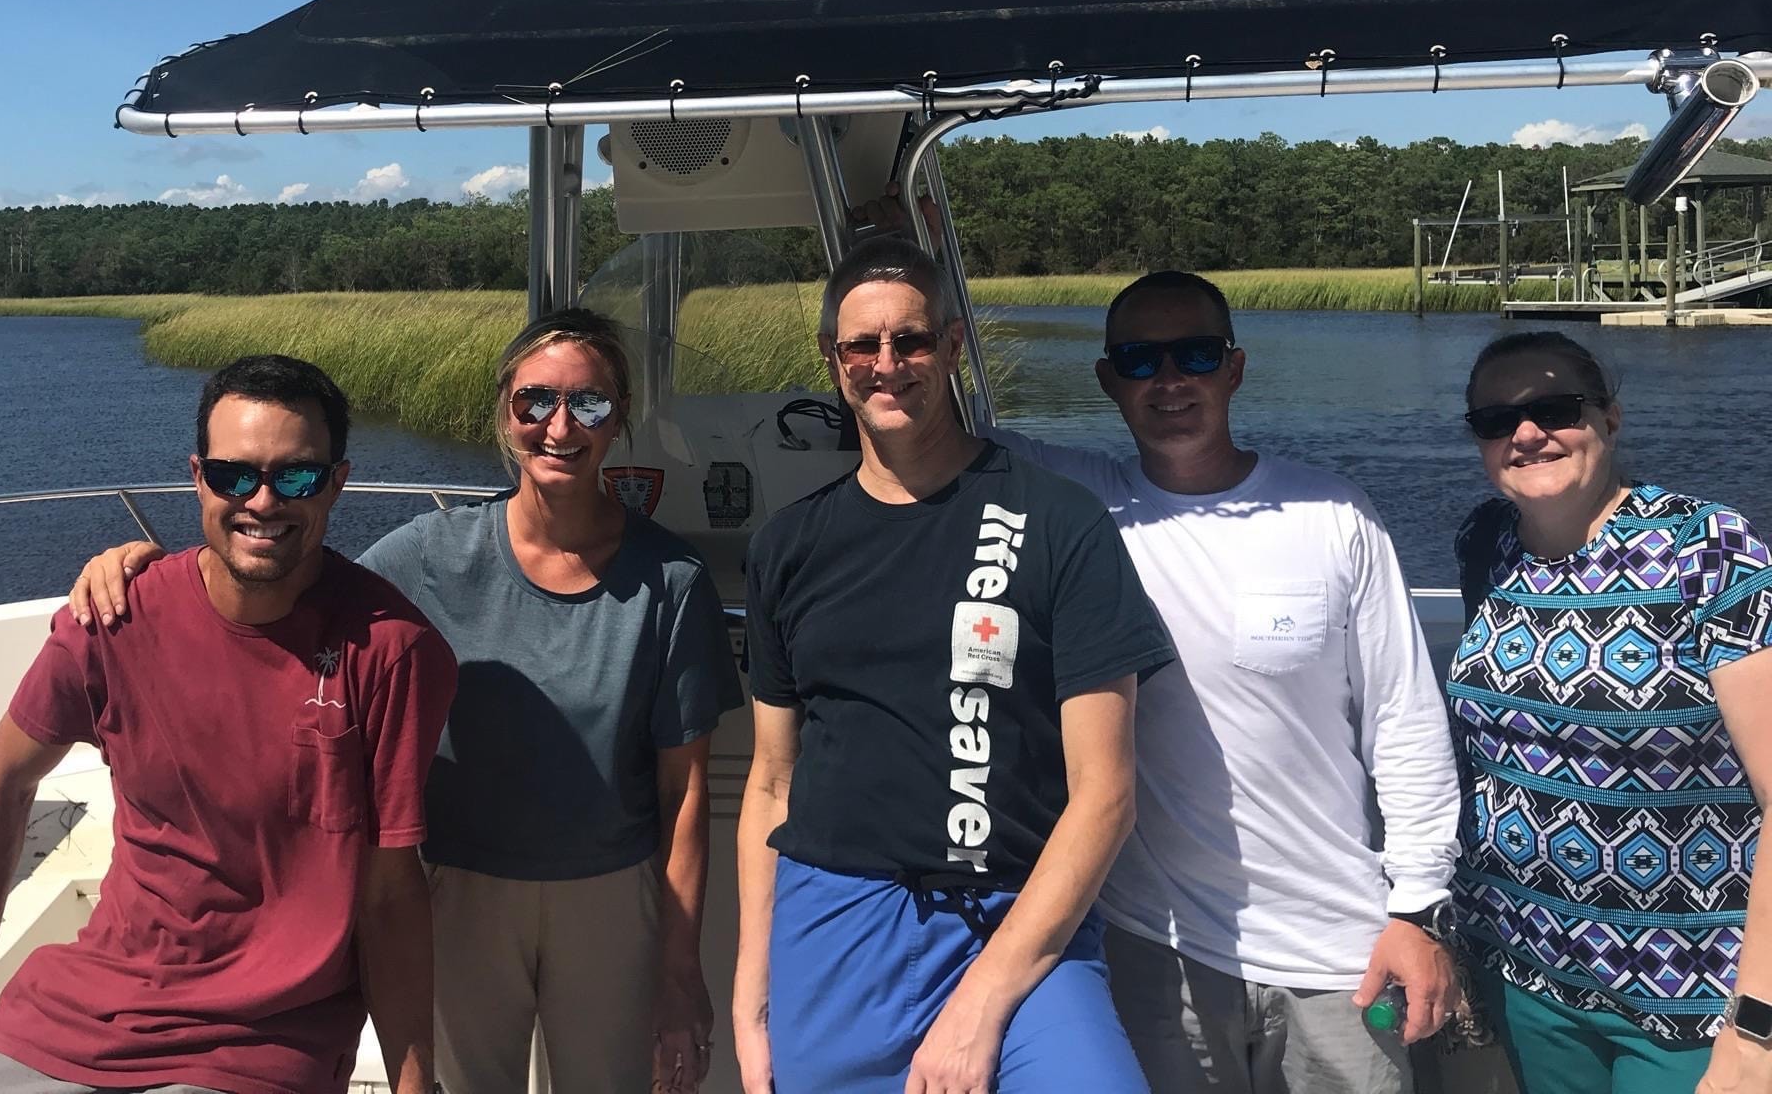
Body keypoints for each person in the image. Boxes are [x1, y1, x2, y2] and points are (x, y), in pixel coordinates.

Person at [69, 308, 741, 1094]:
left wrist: (680, 969)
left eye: (588, 403)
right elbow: (282, 571)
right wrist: (143, 566)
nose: (559, 426)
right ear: (504, 411)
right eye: (534, 402)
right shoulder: (428, 555)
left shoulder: (673, 582)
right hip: (454, 892)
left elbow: (683, 791)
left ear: (619, 418)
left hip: (611, 899)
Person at [0, 354, 458, 1094]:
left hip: (265, 1035)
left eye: (298, 476)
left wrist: (415, 1081)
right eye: (235, 475)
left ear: (336, 484)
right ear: (197, 476)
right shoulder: (113, 618)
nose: (264, 500)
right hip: (84, 1004)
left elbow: (388, 893)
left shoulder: (393, 653)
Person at [983, 269, 1463, 1094]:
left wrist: (1417, 912)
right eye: (1139, 360)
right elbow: (932, 423)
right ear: (1107, 380)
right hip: (1157, 947)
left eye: (1195, 355)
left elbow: (1406, 722)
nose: (1169, 381)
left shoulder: (1332, 515)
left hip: (1337, 951)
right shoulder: (1079, 507)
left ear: (1234, 369)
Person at [734, 234, 1174, 1094]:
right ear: (833, 358)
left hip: (1016, 914)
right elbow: (771, 786)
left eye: (912, 340)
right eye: (862, 344)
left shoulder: (1058, 521)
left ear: (952, 347)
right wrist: (753, 997)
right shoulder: (789, 544)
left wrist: (979, 1008)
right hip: (836, 921)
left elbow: (1106, 794)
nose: (887, 363)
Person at [1447, 330, 1772, 1094]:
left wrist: (1756, 1031)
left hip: (1691, 999)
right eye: (1496, 422)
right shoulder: (1485, 542)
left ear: (1611, 420)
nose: (1526, 435)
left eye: (1554, 410)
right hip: (1529, 975)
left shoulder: (1708, 550)